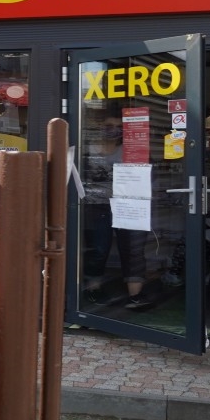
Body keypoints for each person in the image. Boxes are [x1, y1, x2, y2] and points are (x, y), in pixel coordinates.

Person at [81, 113, 152, 310]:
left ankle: (135, 295)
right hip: (96, 205)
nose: (113, 130)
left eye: (119, 126)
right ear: (100, 126)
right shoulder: (86, 149)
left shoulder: (131, 149)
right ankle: (93, 288)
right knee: (98, 248)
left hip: (128, 204)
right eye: (109, 125)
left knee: (133, 249)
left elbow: (147, 173)